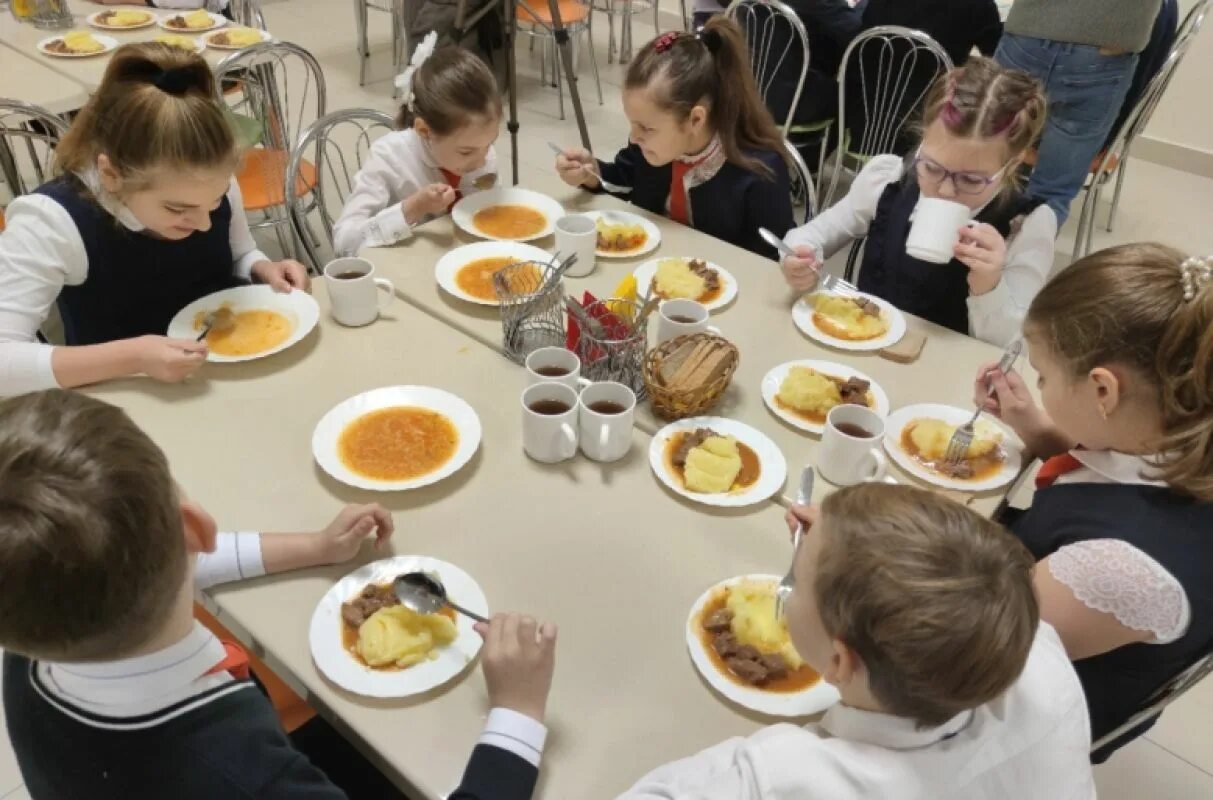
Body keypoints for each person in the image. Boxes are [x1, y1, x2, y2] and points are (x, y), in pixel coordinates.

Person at [0, 389, 560, 800]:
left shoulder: (30, 628)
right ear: (195, 526)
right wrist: (518, 712)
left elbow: (159, 559)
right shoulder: (246, 779)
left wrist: (315, 546)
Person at [617, 483, 1095, 799]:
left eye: (797, 584)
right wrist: (845, 539)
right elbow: (967, 576)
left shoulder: (779, 777)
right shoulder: (1045, 664)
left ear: (840, 662)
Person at [975, 243, 1213, 762]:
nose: (1038, 387)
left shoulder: (1120, 570)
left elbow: (966, 656)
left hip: (1008, 716)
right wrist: (1036, 428)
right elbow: (1113, 481)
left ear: (1104, 391)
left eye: (1044, 376)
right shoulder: (1175, 438)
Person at [0, 44, 308, 397]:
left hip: (223, 374)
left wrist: (262, 268)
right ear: (111, 175)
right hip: (124, 396)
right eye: (177, 210)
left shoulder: (207, 182)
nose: (205, 224)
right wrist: (134, 357)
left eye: (215, 202)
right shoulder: (52, 220)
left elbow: (240, 252)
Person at [781, 57, 1053, 346]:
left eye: (971, 180)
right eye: (932, 168)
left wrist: (989, 287)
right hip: (864, 344)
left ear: (1012, 165)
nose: (945, 190)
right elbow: (812, 234)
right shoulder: (889, 180)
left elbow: (1016, 346)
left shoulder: (1025, 225)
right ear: (922, 141)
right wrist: (799, 255)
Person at [555, 21, 795, 259]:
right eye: (632, 124)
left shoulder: (760, 174)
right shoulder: (652, 147)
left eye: (646, 128)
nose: (635, 137)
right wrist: (592, 174)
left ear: (695, 120)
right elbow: (625, 179)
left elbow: (773, 262)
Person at [995, 0, 1163, 225]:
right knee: (1051, 194)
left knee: (980, 165)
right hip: (1108, 47)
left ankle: (960, 250)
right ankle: (1023, 254)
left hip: (1030, 32)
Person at [333, 32, 500, 257]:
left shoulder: (480, 151)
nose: (482, 160)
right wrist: (412, 208)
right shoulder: (389, 158)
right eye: (466, 152)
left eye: (489, 144)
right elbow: (344, 243)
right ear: (424, 131)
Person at [861, 0, 1001, 67]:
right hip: (935, 112)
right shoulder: (979, 5)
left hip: (865, 108)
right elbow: (997, 57)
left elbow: (864, 34)